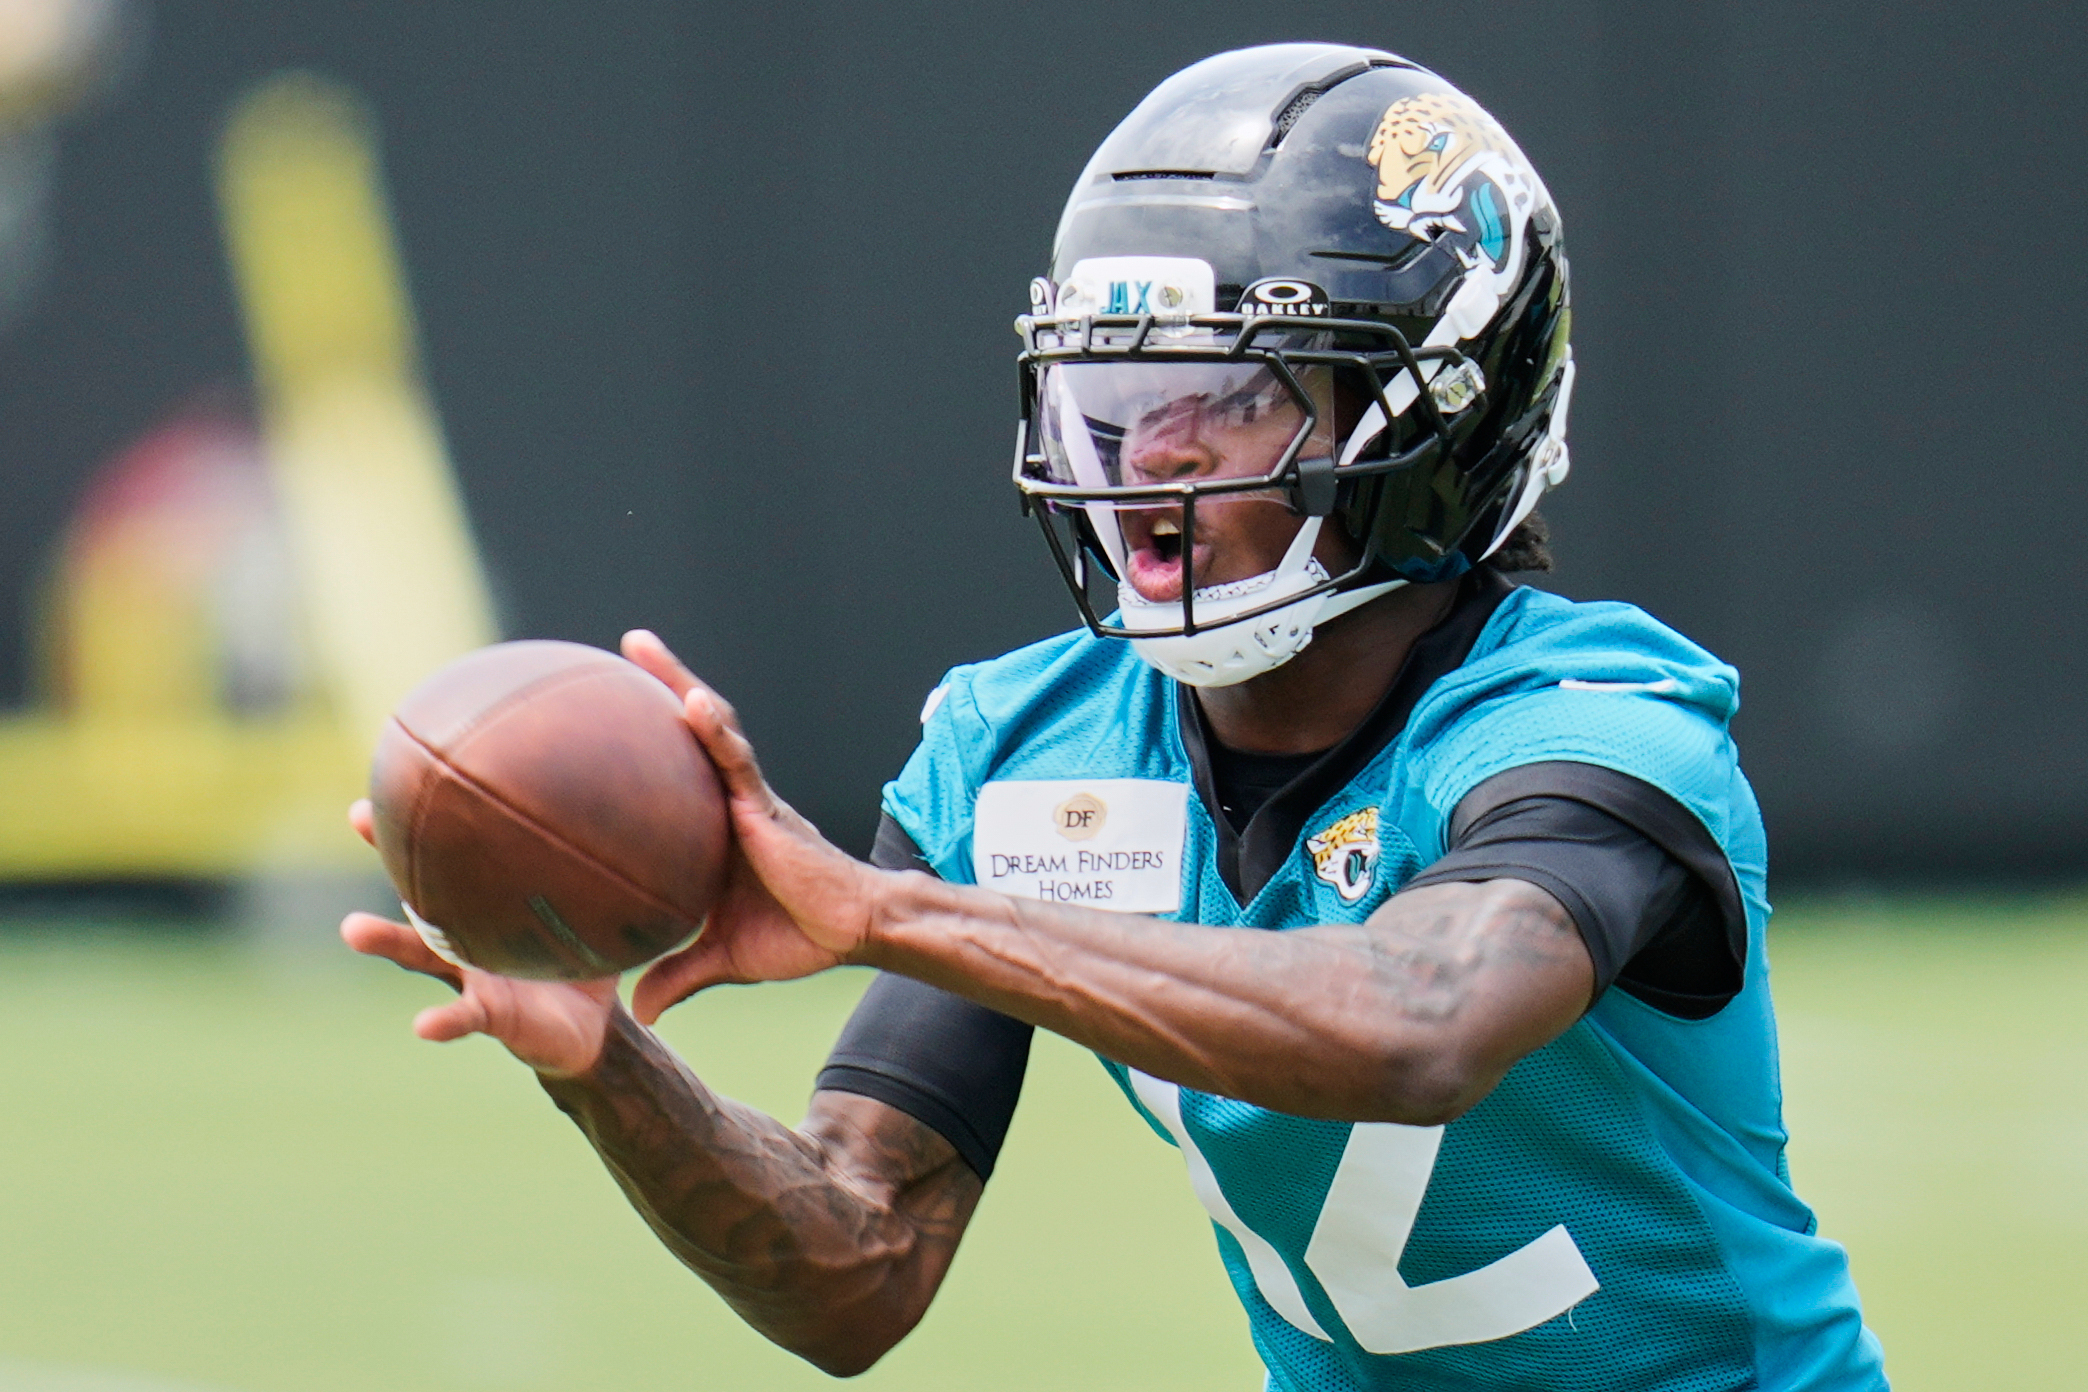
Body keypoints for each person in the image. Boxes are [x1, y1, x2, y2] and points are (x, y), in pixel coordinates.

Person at [345, 43, 1889, 1391]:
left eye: (1232, 393)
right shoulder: (1023, 749)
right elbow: (854, 1269)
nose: (1152, 459)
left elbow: (1424, 1025)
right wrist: (602, 1064)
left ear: (1440, 416)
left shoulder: (1601, 717)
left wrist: (899, 918)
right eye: (1123, 393)